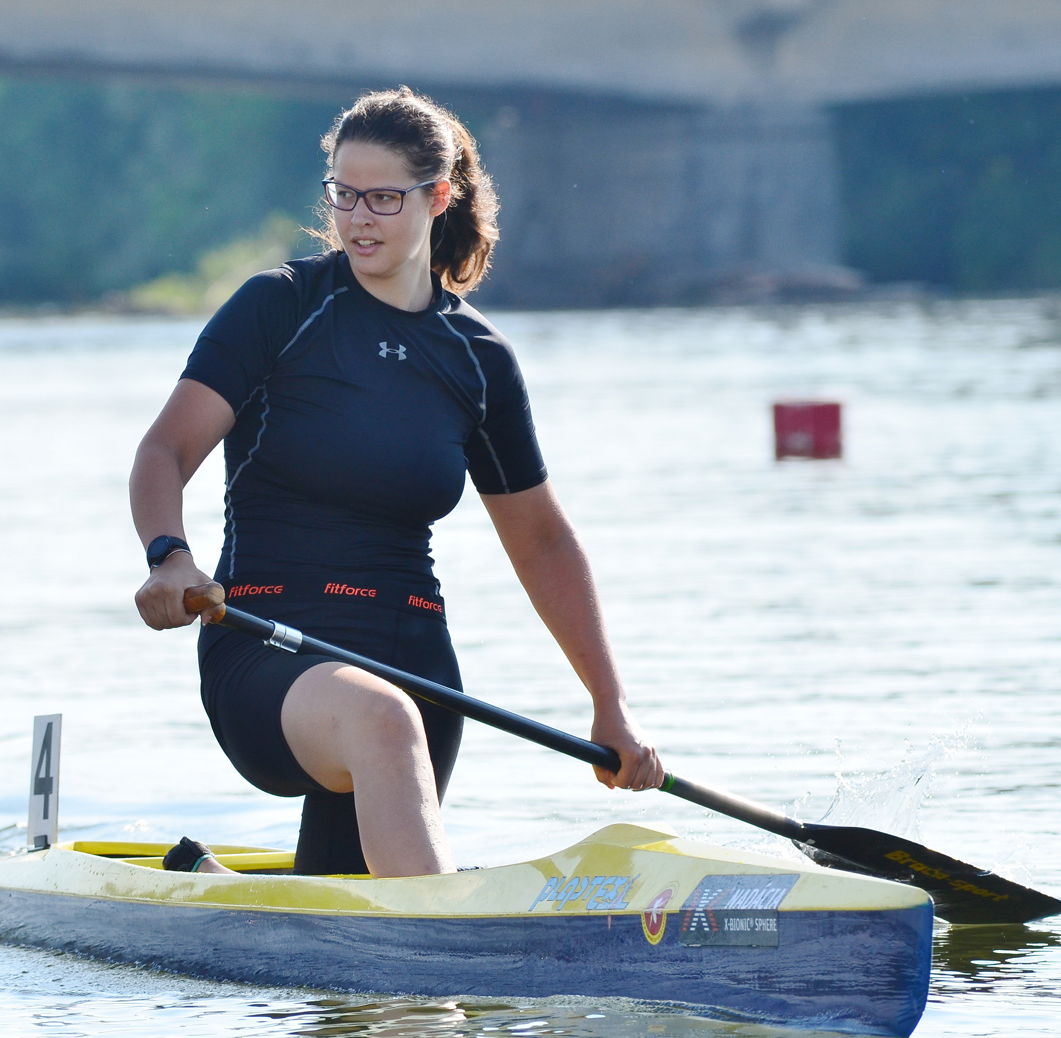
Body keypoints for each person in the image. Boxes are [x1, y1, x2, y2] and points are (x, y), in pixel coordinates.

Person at [130, 86, 662, 879]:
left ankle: (213, 886)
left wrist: (610, 705)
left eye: (382, 197)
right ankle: (442, 973)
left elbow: (542, 539)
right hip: (270, 648)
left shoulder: (478, 361)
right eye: (343, 195)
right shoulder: (279, 308)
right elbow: (164, 452)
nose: (356, 219)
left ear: (438, 197)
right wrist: (169, 555)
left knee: (347, 923)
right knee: (383, 723)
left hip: (416, 668)